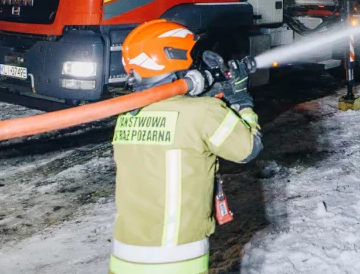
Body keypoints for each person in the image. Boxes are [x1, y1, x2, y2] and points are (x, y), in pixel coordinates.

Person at [109, 19, 261, 274]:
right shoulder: (202, 113)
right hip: (176, 260)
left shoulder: (126, 115)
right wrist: (241, 100)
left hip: (125, 256)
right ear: (174, 58)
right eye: (191, 59)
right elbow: (250, 148)